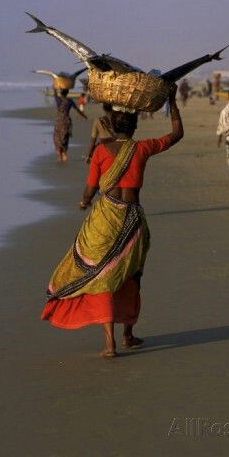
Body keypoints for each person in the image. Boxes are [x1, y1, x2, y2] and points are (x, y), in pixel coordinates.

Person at [41, 85, 184, 358]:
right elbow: (177, 134)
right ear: (133, 128)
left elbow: (90, 188)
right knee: (131, 276)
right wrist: (172, 101)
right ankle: (128, 335)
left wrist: (84, 202)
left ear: (113, 127)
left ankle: (109, 344)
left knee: (102, 277)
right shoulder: (142, 148)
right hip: (132, 220)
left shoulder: (101, 152)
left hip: (105, 220)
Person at [53, 88, 87, 161]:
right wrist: (84, 116)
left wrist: (55, 87)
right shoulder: (69, 101)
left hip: (59, 121)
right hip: (66, 121)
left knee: (57, 138)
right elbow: (77, 110)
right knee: (65, 138)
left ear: (61, 93)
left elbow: (55, 94)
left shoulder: (58, 100)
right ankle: (64, 154)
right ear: (67, 93)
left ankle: (60, 156)